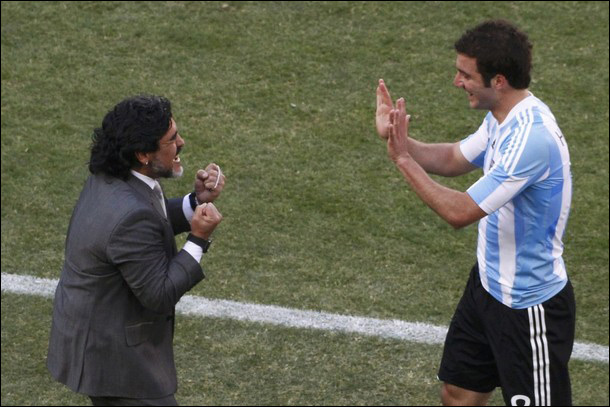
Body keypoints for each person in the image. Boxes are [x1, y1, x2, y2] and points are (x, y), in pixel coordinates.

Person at [375, 20, 574, 406]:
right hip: (486, 287)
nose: (457, 82)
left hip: (527, 307)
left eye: (465, 75)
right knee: (459, 394)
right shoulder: (502, 117)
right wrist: (398, 137)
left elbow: (460, 211)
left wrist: (402, 159)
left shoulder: (531, 139)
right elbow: (453, 158)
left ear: (498, 81)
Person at [47, 95, 225, 406]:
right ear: (143, 154)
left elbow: (146, 224)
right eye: (171, 139)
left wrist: (195, 202)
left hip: (94, 335)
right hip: (113, 358)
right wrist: (198, 239)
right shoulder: (130, 214)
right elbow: (160, 293)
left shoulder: (114, 179)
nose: (181, 143)